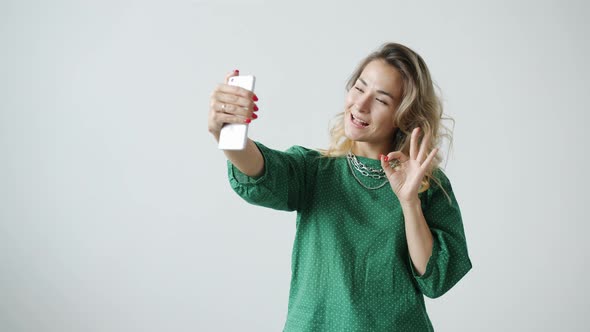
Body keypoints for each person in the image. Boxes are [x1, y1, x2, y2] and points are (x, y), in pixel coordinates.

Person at [207, 42, 472, 331]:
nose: (360, 104)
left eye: (381, 100)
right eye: (359, 88)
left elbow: (436, 279)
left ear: (405, 115)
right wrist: (230, 135)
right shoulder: (316, 171)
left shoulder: (427, 185)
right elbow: (262, 171)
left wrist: (409, 202)